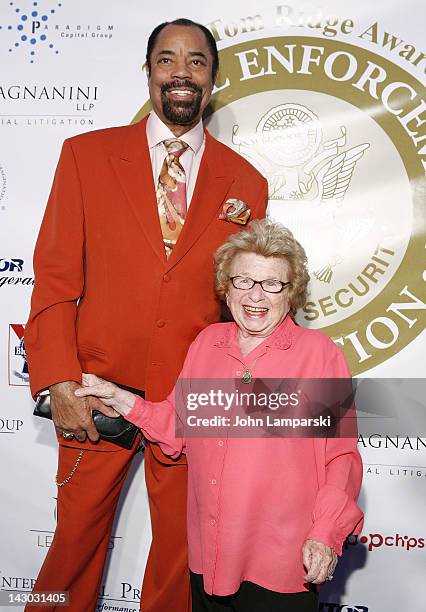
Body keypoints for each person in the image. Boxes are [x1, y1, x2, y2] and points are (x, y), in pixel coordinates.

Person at [24, 18, 268, 612]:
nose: (181, 72)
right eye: (167, 60)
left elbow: (246, 301)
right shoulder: (85, 154)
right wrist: (58, 379)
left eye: (196, 62)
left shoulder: (248, 182)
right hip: (96, 391)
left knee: (181, 555)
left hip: (192, 401)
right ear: (149, 72)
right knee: (72, 548)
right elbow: (56, 275)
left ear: (213, 79)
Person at [76, 219, 364, 612]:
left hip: (284, 560)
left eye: (272, 284)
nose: (255, 296)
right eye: (243, 281)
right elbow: (178, 427)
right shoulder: (207, 344)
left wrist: (326, 533)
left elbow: (341, 458)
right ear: (226, 287)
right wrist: (120, 398)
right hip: (209, 555)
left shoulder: (318, 354)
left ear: (291, 292)